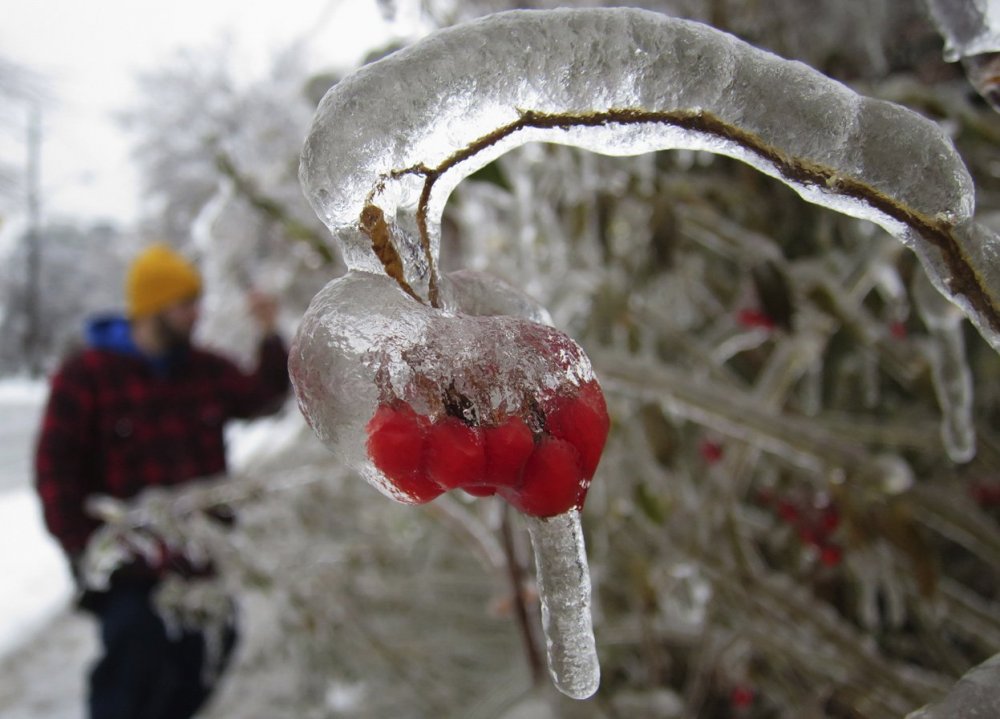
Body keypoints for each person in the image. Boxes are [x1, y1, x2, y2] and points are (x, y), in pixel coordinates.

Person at [34, 242, 290, 719]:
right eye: (186, 303)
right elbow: (55, 470)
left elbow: (265, 398)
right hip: (131, 573)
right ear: (153, 308)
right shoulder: (86, 375)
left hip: (201, 561)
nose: (197, 313)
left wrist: (269, 330)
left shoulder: (203, 370)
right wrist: (85, 549)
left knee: (211, 653)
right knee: (133, 676)